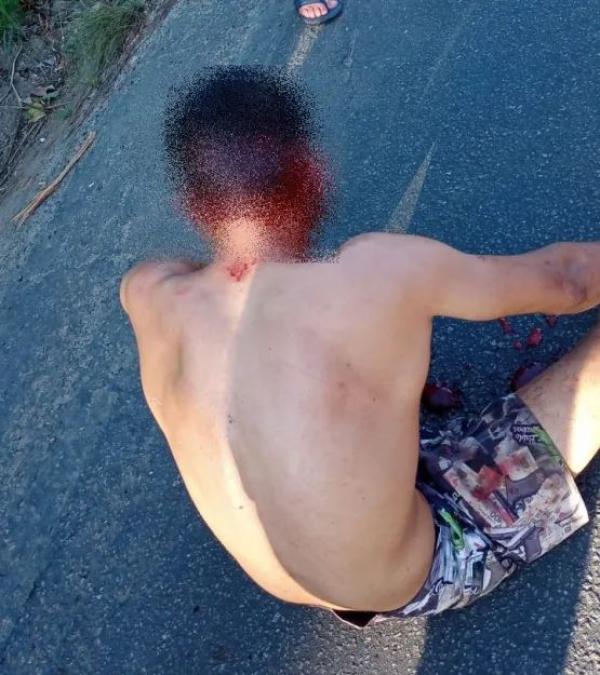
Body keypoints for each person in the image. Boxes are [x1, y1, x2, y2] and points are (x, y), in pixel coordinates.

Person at [120, 68, 600, 627]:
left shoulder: (146, 292)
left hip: (315, 582)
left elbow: (226, 292)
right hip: (422, 570)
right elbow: (571, 282)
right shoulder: (375, 272)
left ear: (192, 207)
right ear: (314, 173)